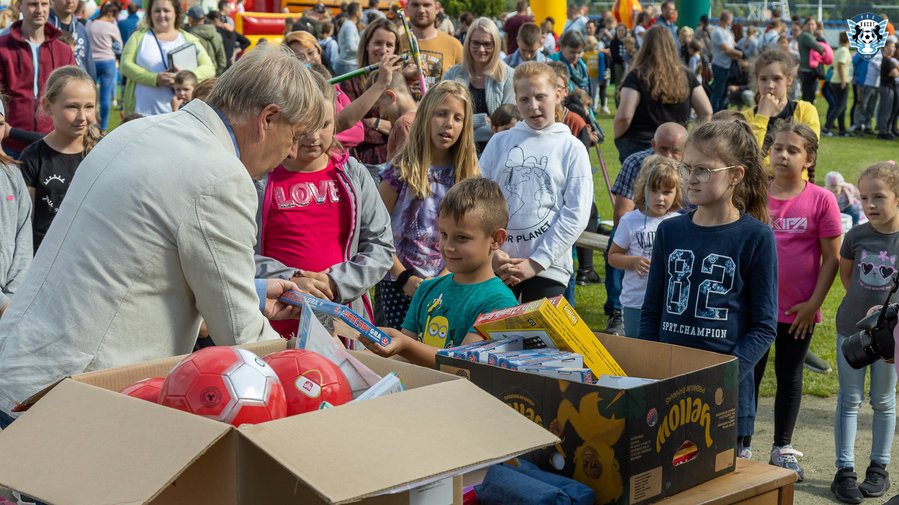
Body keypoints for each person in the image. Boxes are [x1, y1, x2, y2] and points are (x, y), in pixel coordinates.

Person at [0, 45, 324, 425]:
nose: (292, 151)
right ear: (268, 118)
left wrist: (251, 291)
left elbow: (135, 266)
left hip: (24, 366)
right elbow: (242, 335)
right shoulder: (221, 174)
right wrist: (316, 371)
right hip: (71, 400)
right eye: (294, 135)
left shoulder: (139, 130)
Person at [638, 120, 778, 461]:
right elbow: (651, 311)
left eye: (704, 169)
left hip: (724, 395)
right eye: (687, 168)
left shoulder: (757, 237)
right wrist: (649, 364)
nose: (691, 178)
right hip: (668, 384)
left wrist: (726, 374)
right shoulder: (670, 232)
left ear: (736, 175)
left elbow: (764, 327)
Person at [253, 72, 394, 340]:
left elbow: (381, 246)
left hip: (342, 323)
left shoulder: (353, 174)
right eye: (304, 126)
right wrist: (291, 279)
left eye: (324, 124)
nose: (313, 136)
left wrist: (335, 282)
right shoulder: (258, 177)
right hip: (272, 327)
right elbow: (237, 253)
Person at [751, 121, 841, 480]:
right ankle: (741, 445)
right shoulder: (755, 193)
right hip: (754, 309)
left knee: (789, 376)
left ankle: (782, 448)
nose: (783, 155)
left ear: (809, 159)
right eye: (777, 148)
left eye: (793, 150)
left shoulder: (822, 199)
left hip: (798, 311)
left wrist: (813, 305)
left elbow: (832, 258)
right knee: (749, 376)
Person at [363, 178, 517, 367]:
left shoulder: (500, 302)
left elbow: (463, 363)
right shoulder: (427, 289)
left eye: (462, 237)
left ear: (496, 239)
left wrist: (405, 345)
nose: (448, 247)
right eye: (444, 234)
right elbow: (402, 358)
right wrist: (346, 355)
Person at [480, 62, 593, 302]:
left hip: (548, 269)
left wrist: (537, 262)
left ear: (558, 95)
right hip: (498, 266)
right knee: (494, 327)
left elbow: (576, 213)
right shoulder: (499, 143)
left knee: (537, 329)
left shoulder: (572, 148)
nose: (533, 106)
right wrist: (491, 252)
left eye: (541, 97)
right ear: (516, 100)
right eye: (524, 99)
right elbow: (479, 203)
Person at [375, 80, 479, 330]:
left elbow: (471, 235)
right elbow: (375, 228)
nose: (448, 124)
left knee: (438, 347)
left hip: (450, 281)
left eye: (457, 118)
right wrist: (403, 277)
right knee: (400, 347)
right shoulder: (401, 168)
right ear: (425, 117)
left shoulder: (468, 175)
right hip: (399, 282)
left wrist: (443, 279)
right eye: (441, 114)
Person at [831, 162, 899, 504]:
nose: (870, 204)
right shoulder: (856, 235)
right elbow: (847, 278)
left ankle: (879, 468)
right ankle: (844, 471)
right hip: (852, 330)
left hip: (891, 338)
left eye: (879, 197)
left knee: (884, 401)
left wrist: (887, 318)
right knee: (849, 399)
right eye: (865, 197)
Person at [607, 122, 687, 335]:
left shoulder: (680, 223)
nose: (660, 198)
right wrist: (633, 261)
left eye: (667, 192)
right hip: (635, 302)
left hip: (669, 302)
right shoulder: (630, 221)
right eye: (654, 190)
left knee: (663, 349)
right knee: (637, 347)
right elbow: (613, 257)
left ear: (677, 194)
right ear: (643, 190)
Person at [19, 66, 98, 253]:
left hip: (92, 256)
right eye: (72, 107)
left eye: (89, 107)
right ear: (48, 106)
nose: (82, 117)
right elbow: (25, 223)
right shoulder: (32, 157)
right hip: (46, 256)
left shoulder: (104, 151)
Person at [613, 25, 711, 165]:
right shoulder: (686, 76)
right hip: (674, 149)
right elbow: (706, 112)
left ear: (645, 47)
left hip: (639, 145)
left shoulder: (636, 76)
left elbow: (624, 117)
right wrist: (692, 141)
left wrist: (618, 137)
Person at [0, 0, 76, 157]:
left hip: (54, 143)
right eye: (33, 4)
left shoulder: (64, 51)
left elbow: (74, 95)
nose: (39, 10)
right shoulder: (3, 48)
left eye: (44, 4)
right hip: (11, 143)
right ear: (19, 6)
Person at [120, 0, 215, 116]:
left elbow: (209, 68)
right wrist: (154, 79)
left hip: (179, 116)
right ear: (150, 13)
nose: (161, 15)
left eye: (166, 10)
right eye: (157, 11)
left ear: (176, 13)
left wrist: (185, 76)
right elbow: (125, 65)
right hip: (142, 114)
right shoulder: (138, 37)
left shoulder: (189, 39)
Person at [443, 17, 515, 153]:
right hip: (456, 153)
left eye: (487, 44)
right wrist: (481, 120)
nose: (481, 49)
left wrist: (460, 129)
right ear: (468, 43)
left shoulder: (509, 76)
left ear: (496, 45)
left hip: (496, 152)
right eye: (476, 43)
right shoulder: (452, 74)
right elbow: (443, 118)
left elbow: (507, 125)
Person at [741, 49, 820, 172]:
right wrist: (762, 116)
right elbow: (748, 159)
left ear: (789, 80)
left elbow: (805, 154)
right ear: (757, 81)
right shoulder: (745, 117)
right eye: (763, 79)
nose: (770, 85)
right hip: (759, 183)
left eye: (777, 78)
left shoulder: (805, 110)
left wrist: (763, 164)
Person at [339, 17, 400, 168]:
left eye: (389, 45)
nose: (383, 50)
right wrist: (392, 128)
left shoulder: (402, 81)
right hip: (362, 163)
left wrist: (376, 123)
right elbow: (352, 131)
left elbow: (411, 127)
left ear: (396, 50)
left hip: (397, 163)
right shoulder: (351, 82)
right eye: (378, 43)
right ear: (367, 45)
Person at [0, 96, 32, 317]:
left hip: (11, 306)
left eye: (0, 124)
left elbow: (24, 239)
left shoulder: (13, 175)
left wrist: (13, 296)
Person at [401, 0, 463, 86]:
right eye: (415, 5)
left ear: (437, 7)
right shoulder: (394, 44)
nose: (421, 10)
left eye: (426, 5)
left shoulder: (454, 45)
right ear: (407, 8)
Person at [86, 1, 121, 134]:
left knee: (90, 96)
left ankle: (92, 122)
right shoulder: (112, 27)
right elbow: (120, 46)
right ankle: (104, 128)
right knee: (105, 97)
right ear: (111, 14)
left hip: (91, 62)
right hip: (108, 62)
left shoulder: (89, 23)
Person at [373, 71, 418, 161]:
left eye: (379, 107)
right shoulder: (423, 115)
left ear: (391, 96)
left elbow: (406, 164)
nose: (381, 115)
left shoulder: (404, 123)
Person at [48, 0, 95, 80]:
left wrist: (92, 83)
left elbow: (88, 63)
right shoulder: (45, 28)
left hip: (79, 84)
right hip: (53, 84)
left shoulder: (81, 29)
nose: (70, 1)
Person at [709, 10, 742, 112]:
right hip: (720, 65)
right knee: (717, 93)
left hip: (727, 65)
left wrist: (736, 53)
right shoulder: (717, 32)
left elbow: (733, 45)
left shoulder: (727, 31)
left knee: (724, 94)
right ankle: (714, 113)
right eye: (731, 19)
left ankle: (722, 113)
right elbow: (726, 49)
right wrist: (740, 54)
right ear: (727, 20)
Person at [823, 32, 852, 138]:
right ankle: (827, 127)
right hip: (840, 81)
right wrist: (843, 81)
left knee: (841, 106)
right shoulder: (844, 51)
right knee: (840, 106)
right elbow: (840, 65)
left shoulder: (839, 50)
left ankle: (842, 129)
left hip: (835, 80)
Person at [185, 5, 226, 76]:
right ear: (204, 18)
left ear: (191, 19)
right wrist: (215, 75)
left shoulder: (190, 37)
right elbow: (222, 60)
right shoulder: (217, 34)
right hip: (214, 75)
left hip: (199, 76)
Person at [550, 30, 591, 97]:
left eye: (579, 52)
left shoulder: (582, 65)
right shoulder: (553, 65)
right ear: (562, 47)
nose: (576, 56)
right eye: (572, 52)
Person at [796, 17, 826, 104]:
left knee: (807, 95)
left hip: (805, 68)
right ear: (804, 26)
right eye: (808, 24)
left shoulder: (804, 35)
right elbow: (819, 48)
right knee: (809, 96)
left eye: (812, 24)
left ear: (816, 26)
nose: (810, 26)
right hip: (808, 70)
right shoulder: (806, 36)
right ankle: (807, 112)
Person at [877, 41, 898, 140]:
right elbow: (895, 73)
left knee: (887, 110)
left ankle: (885, 129)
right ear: (885, 48)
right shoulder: (886, 60)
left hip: (887, 87)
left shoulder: (888, 60)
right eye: (892, 47)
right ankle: (883, 131)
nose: (894, 49)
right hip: (886, 87)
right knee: (886, 110)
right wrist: (895, 70)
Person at [335, 2, 361, 75]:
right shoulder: (350, 26)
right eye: (361, 10)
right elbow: (351, 48)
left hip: (348, 64)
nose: (362, 12)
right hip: (348, 65)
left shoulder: (349, 24)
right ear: (357, 13)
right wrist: (363, 49)